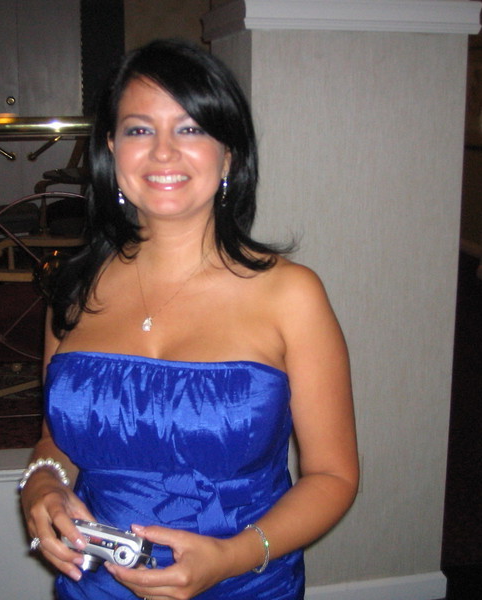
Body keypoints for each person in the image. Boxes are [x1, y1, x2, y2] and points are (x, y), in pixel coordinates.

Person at [19, 38, 359, 600]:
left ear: (228, 155)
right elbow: (55, 443)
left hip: (244, 585)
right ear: (111, 149)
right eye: (139, 129)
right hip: (95, 585)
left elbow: (334, 477)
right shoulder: (73, 289)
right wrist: (41, 488)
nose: (163, 152)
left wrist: (231, 557)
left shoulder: (291, 295)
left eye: (191, 128)